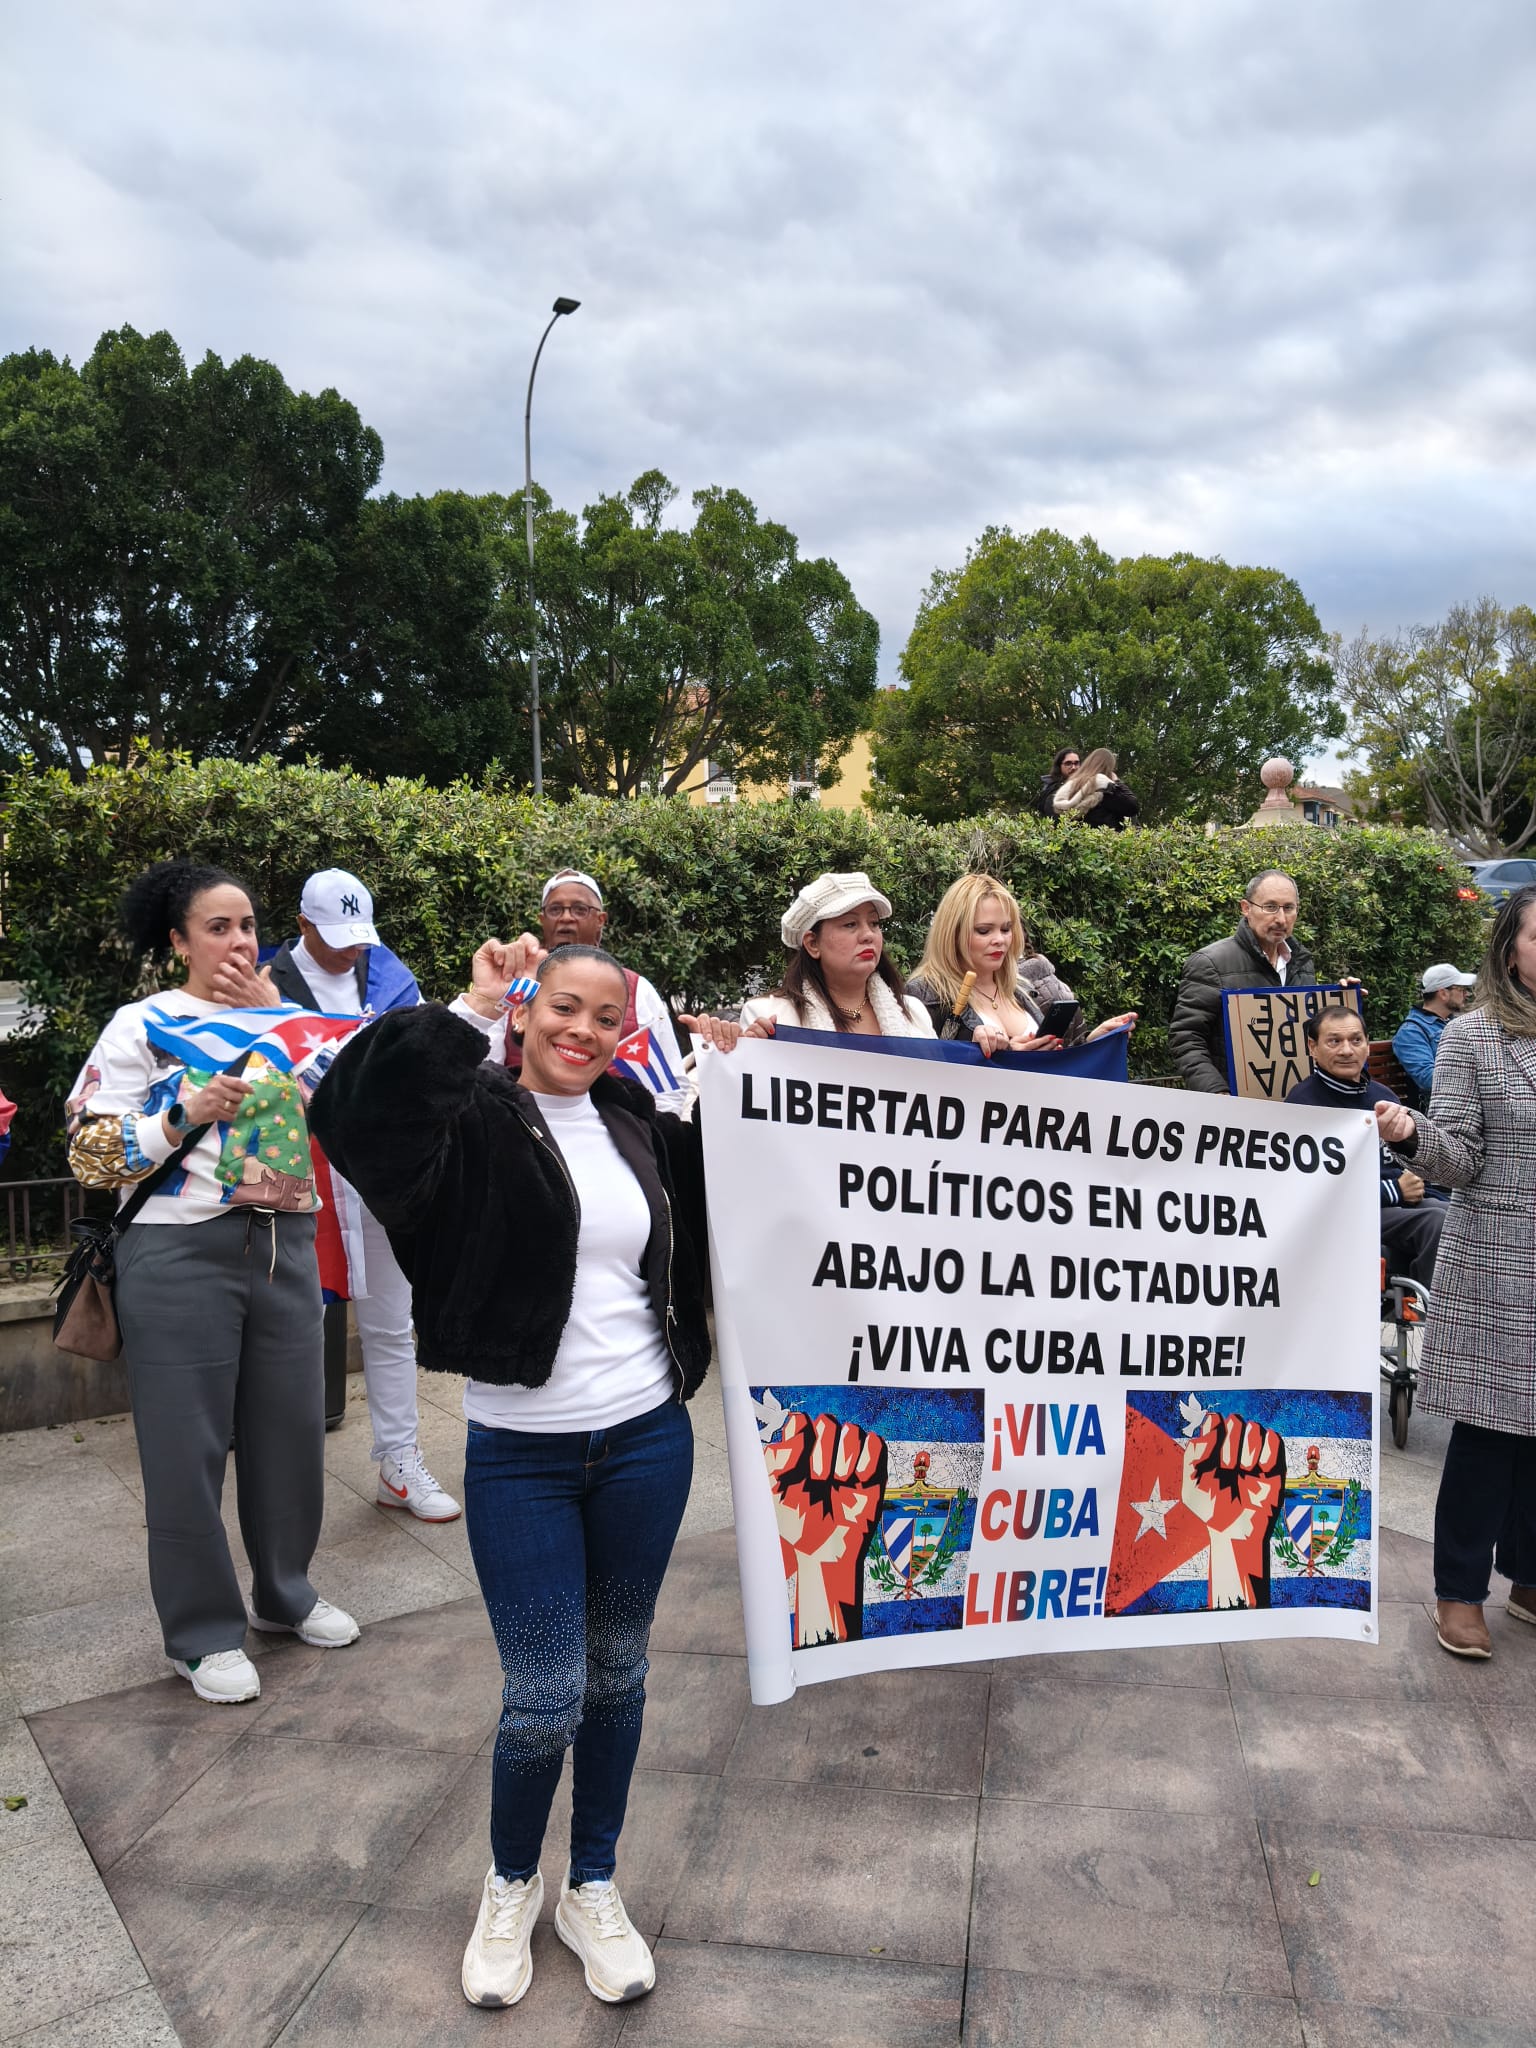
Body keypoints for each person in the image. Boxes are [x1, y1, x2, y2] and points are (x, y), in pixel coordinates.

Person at [310, 934, 743, 2011]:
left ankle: (590, 1881)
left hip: (646, 1440)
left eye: (606, 1015)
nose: (582, 1031)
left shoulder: (640, 1121)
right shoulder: (468, 1116)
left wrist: (754, 1075)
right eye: (562, 1006)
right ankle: (511, 1880)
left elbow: (756, 1202)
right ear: (525, 1006)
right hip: (522, 1456)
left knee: (620, 1672)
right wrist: (465, 1005)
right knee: (545, 1694)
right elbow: (357, 1114)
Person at [65, 860, 359, 1706]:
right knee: (184, 1449)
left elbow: (351, 1115)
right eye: (217, 928)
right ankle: (200, 1634)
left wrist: (278, 1021)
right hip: (176, 1250)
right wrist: (182, 1113)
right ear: (178, 941)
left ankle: (286, 1593)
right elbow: (88, 1149)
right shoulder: (144, 1023)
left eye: (247, 926)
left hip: (287, 1244)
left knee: (292, 1431)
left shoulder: (296, 1023)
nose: (237, 942)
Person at [267, 868, 459, 1522]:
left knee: (389, 1324)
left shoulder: (386, 975)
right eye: (337, 936)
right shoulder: (268, 986)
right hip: (299, 1175)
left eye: (360, 936)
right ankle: (283, 1480)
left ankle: (399, 1463)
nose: (354, 950)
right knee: (289, 1327)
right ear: (302, 925)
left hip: (378, 1172)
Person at [1376, 885, 1536, 1662]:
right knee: (1487, 1434)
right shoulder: (1473, 1036)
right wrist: (1411, 1134)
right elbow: (1462, 1159)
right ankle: (1459, 1593)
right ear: (1511, 949)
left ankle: (1531, 1577)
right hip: (1499, 1256)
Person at [496, 871, 687, 1114]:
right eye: (556, 909)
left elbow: (667, 1090)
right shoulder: (515, 986)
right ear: (542, 919)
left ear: (600, 920)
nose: (566, 918)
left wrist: (649, 1143)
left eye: (579, 909)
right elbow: (479, 1069)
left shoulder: (638, 990)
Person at [1285, 1005, 1444, 1287]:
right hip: (1343, 1215)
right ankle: (1441, 1317)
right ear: (1313, 1047)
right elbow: (1309, 1191)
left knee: (1456, 1212)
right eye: (1334, 1041)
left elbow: (1407, 1166)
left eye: (1356, 1040)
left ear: (1367, 1046)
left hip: (1395, 1204)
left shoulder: (1383, 1096)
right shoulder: (1303, 1104)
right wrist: (1395, 1190)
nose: (1347, 1050)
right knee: (1435, 1221)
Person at [906, 873, 1136, 1051]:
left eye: (1006, 929)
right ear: (952, 934)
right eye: (984, 931)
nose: (1000, 940)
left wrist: (1095, 1044)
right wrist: (986, 1054)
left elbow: (1064, 1077)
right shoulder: (925, 997)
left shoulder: (1033, 987)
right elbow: (923, 1080)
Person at [1170, 870, 1328, 1094]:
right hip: (1237, 1110)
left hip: (1298, 1103)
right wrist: (1218, 1093)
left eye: (1289, 908)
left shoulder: (1302, 961)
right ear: (1246, 908)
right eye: (1270, 907)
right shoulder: (1211, 963)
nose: (1281, 919)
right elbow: (1186, 1038)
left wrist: (1342, 1002)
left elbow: (1309, 1031)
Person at [739, 872, 936, 1038]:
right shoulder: (770, 1017)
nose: (868, 935)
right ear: (812, 943)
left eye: (874, 923)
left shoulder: (914, 1014)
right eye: (850, 924)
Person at [1392, 963, 1476, 1106]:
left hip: (1465, 1102)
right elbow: (1428, 1079)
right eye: (1461, 989)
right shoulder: (1411, 1032)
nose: (1466, 994)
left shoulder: (1455, 1023)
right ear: (1443, 993)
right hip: (1438, 1110)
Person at [1051, 747, 1139, 829]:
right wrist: (1116, 781)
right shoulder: (1105, 788)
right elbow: (1132, 807)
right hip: (1104, 841)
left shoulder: (1071, 786)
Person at [1036, 744, 1081, 819]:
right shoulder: (1053, 790)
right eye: (1068, 763)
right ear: (1059, 766)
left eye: (1076, 763)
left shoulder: (1085, 786)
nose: (1073, 767)